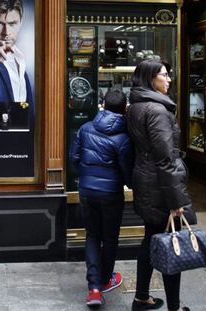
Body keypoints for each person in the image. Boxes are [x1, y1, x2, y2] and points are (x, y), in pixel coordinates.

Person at [126, 60, 193, 311]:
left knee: (151, 239)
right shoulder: (156, 110)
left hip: (146, 180)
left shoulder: (136, 106)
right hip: (161, 186)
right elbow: (165, 158)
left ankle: (141, 297)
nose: (169, 79)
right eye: (164, 75)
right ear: (149, 79)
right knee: (171, 244)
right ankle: (174, 307)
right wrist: (176, 201)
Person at [70, 89, 134, 308]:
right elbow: (127, 170)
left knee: (92, 236)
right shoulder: (124, 137)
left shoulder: (86, 128)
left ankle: (94, 289)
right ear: (124, 109)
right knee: (110, 237)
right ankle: (106, 280)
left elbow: (74, 158)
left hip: (87, 190)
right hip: (111, 193)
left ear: (103, 106)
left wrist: (86, 175)